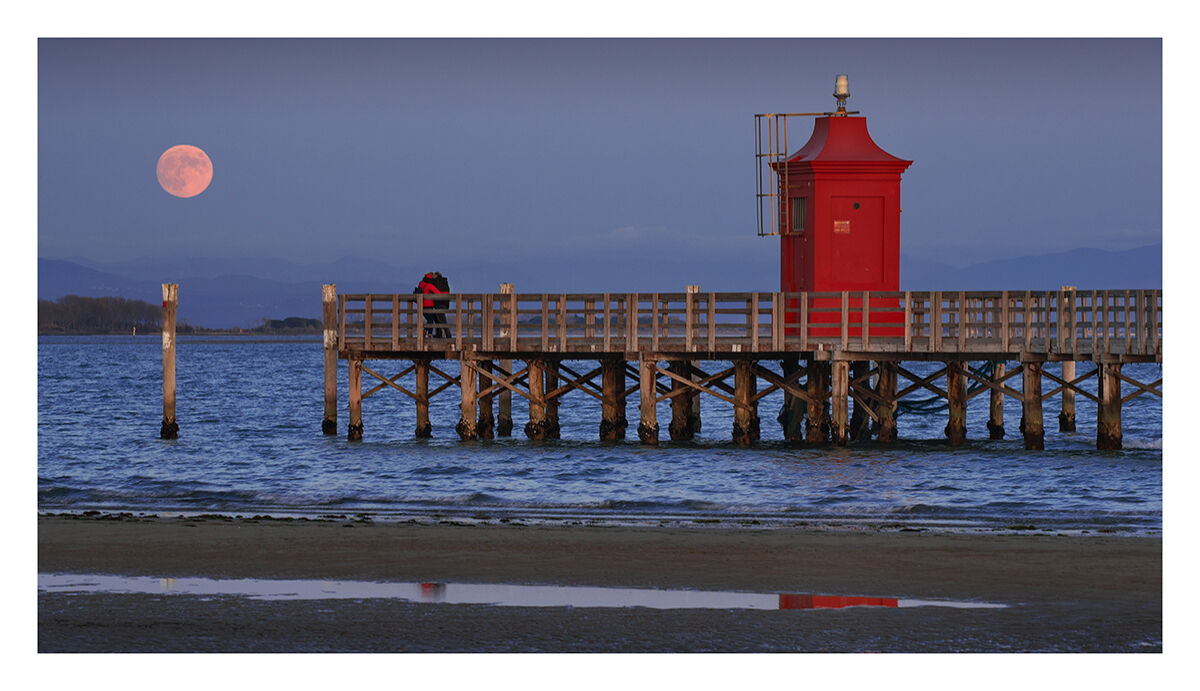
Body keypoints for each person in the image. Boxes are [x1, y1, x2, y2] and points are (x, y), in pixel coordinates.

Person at [416, 271, 451, 338]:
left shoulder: (421, 284)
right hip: (431, 305)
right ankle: (431, 334)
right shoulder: (430, 285)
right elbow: (438, 293)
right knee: (434, 320)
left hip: (422, 305)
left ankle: (432, 333)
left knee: (432, 319)